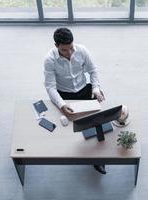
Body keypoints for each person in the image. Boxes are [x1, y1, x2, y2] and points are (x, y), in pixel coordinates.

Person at [43, 27, 106, 174]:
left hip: (84, 89)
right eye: (65, 50)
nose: (70, 53)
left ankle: (98, 159)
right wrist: (62, 104)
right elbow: (50, 87)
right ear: (56, 46)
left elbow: (93, 71)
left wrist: (96, 89)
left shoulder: (82, 50)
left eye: (71, 48)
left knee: (95, 123)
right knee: (69, 128)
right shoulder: (49, 60)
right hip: (65, 95)